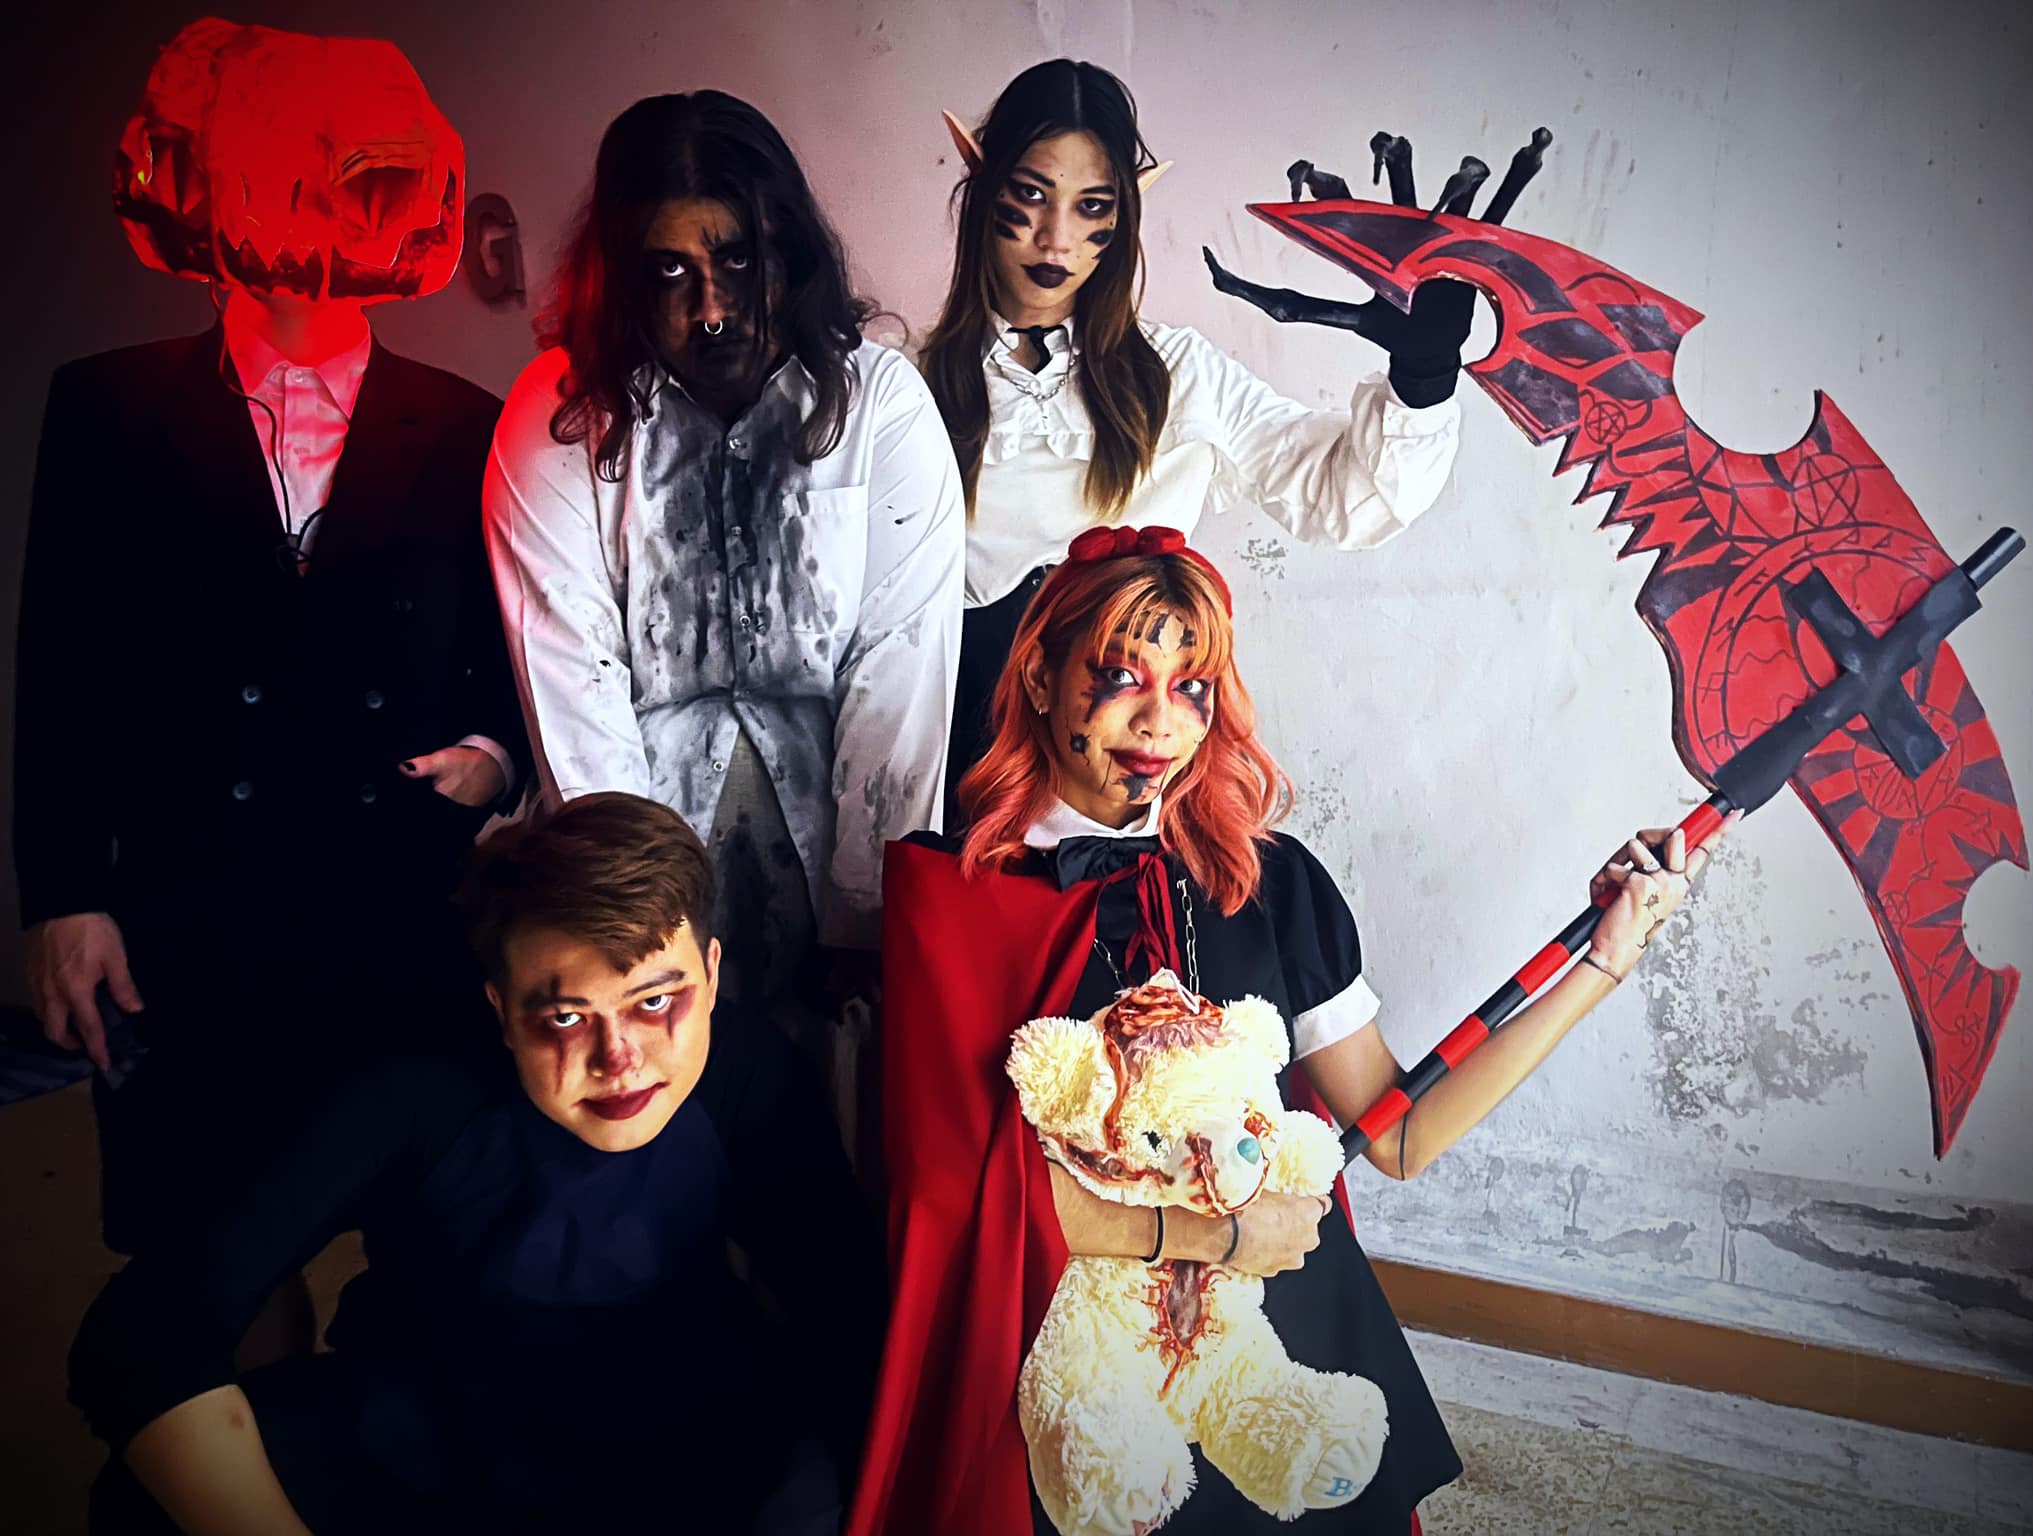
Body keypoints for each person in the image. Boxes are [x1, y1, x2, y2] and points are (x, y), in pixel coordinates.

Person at [850, 528, 1733, 1535]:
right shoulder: (948, 897)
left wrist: (1603, 963)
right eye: (1121, 675)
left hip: (1269, 1335)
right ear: (1041, 679)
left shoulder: (1268, 885)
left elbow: (1398, 1133)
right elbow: (956, 1199)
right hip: (1070, 1365)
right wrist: (1220, 1236)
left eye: (1191, 686)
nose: (1159, 719)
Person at [16, 20, 524, 1260]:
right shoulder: (103, 406)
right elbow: (60, 673)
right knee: (209, 1256)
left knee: (422, 1249)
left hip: (396, 906)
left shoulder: (471, 423)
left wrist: (495, 758)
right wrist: (65, 896)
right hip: (186, 912)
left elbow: (509, 647)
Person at [70, 792, 883, 1535]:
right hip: (428, 1439)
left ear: (710, 974)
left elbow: (852, 1318)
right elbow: (146, 1332)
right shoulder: (410, 1079)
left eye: (654, 1002)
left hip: (690, 1446)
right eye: (566, 1017)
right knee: (145, 1502)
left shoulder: (747, 1070)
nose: (621, 1060)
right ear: (499, 1006)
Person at [484, 92, 965, 1033]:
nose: (711, 309)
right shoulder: (560, 416)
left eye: (738, 259)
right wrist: (635, 938)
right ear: (622, 274)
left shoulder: (879, 403)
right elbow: (573, 679)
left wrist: (868, 917)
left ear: (789, 250)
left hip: (839, 836)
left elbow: (902, 670)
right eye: (670, 270)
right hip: (631, 837)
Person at [926, 59, 1476, 800]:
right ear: (983, 186)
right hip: (960, 784)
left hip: (1133, 790)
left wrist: (1423, 378)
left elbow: (1343, 499)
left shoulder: (1180, 374)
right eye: (1031, 195)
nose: (1057, 238)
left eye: (1092, 206)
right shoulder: (904, 383)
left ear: (1123, 215)